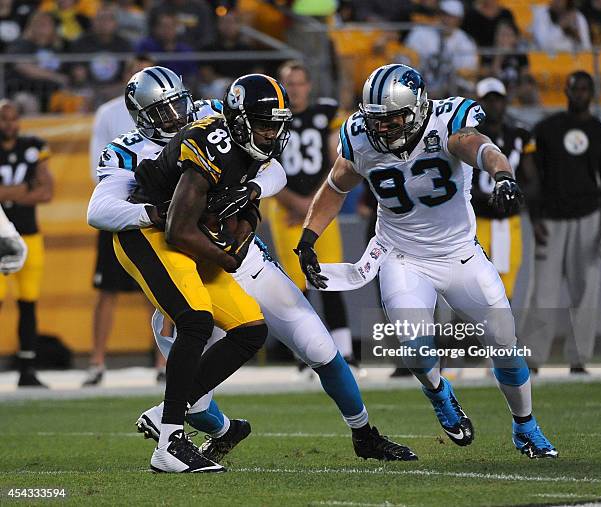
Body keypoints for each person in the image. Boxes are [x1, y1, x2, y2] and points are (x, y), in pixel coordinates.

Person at [87, 70, 417, 464]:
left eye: (178, 104)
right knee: (193, 398)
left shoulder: (216, 116)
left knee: (319, 346)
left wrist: (251, 193)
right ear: (140, 116)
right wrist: (157, 213)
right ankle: (210, 428)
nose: (176, 116)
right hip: (185, 259)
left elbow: (274, 168)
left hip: (240, 256)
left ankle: (365, 434)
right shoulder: (125, 150)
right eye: (163, 111)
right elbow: (101, 209)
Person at [295, 63, 558, 459]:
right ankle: (438, 392)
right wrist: (309, 235)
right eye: (376, 120)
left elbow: (480, 147)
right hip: (402, 256)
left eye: (393, 119)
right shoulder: (360, 138)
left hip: (459, 253)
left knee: (505, 346)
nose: (382, 129)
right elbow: (336, 184)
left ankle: (526, 426)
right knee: (414, 346)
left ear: (418, 108)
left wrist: (503, 175)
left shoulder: (447, 121)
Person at [112, 72, 287, 473]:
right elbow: (177, 228)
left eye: (276, 126)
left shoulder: (245, 148)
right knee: (194, 321)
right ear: (241, 124)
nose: (270, 135)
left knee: (250, 329)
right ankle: (169, 442)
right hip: (148, 235)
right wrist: (227, 257)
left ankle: (166, 414)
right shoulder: (211, 143)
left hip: (183, 236)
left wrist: (246, 215)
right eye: (263, 126)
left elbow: (245, 194)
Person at [524, 71, 601, 373]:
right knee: (543, 293)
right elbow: (533, 178)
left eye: (586, 89)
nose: (580, 94)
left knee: (586, 292)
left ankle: (579, 359)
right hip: (550, 218)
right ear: (566, 90)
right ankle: (533, 359)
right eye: (575, 88)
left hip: (588, 217)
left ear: (592, 92)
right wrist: (534, 217)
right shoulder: (547, 129)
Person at [270, 61, 356, 367]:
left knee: (329, 277)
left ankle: (345, 352)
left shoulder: (325, 114)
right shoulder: (271, 116)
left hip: (319, 205)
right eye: (288, 83)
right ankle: (305, 354)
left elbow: (338, 160)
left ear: (309, 85)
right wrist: (296, 203)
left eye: (299, 82)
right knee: (296, 286)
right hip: (284, 208)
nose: (294, 89)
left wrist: (313, 203)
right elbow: (263, 167)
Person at [84, 54, 158, 387]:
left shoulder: (167, 112)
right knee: (106, 290)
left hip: (156, 213)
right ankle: (97, 362)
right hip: (122, 211)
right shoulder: (109, 112)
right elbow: (98, 169)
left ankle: (164, 362)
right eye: (135, 73)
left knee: (160, 289)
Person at [0, 99, 54, 387]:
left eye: (12, 119)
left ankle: (27, 369)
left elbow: (47, 192)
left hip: (29, 235)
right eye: (3, 119)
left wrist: (7, 194)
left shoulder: (33, 146)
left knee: (28, 303)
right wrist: (24, 189)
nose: (8, 124)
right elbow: (36, 189)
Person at [469, 77, 538, 301]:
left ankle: (501, 335)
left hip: (509, 221)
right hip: (476, 220)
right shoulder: (464, 137)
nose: (493, 105)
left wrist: (516, 198)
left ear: (505, 102)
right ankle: (469, 336)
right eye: (487, 100)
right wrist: (482, 197)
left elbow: (532, 179)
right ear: (477, 103)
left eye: (497, 100)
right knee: (473, 288)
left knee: (504, 289)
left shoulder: (518, 134)